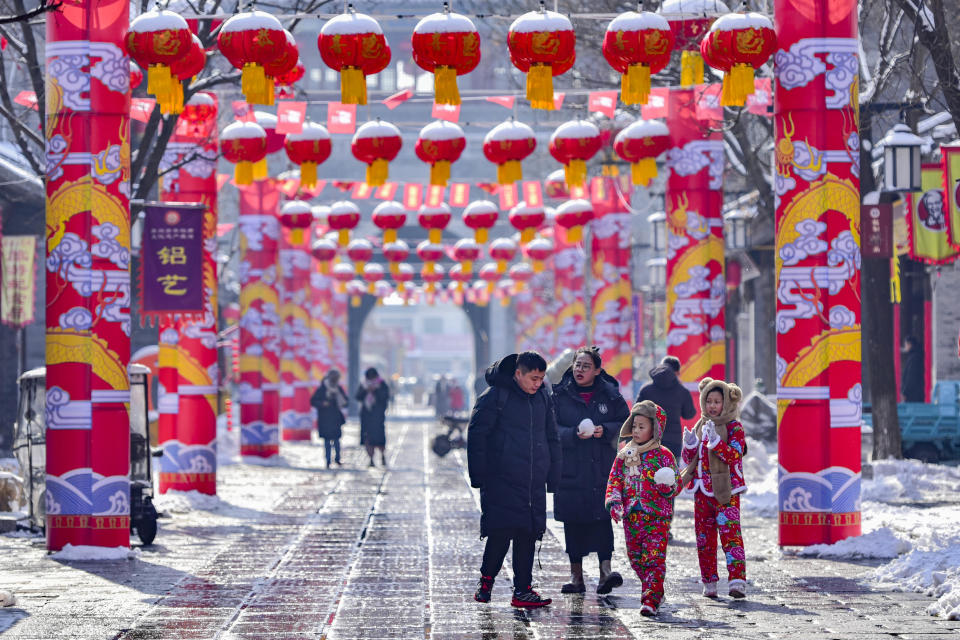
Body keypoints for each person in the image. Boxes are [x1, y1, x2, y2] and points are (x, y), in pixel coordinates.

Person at [468, 351, 561, 608]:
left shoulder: (542, 396)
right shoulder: (496, 397)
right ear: (518, 373)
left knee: (528, 535)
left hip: (533, 481)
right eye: (533, 378)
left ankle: (522, 590)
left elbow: (552, 436)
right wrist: (479, 476)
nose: (537, 383)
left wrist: (553, 476)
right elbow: (477, 436)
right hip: (501, 479)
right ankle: (486, 582)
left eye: (541, 378)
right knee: (500, 533)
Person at [552, 346, 630, 595]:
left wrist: (604, 430)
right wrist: (573, 433)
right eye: (577, 364)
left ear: (597, 370)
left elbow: (626, 423)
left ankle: (605, 572)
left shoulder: (610, 395)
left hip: (601, 469)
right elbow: (551, 428)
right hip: (571, 469)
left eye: (586, 366)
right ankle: (576, 577)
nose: (579, 370)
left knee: (602, 521)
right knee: (572, 523)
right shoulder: (560, 395)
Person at [605, 400, 683, 616]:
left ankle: (650, 598)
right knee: (636, 558)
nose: (637, 431)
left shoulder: (664, 455)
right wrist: (614, 502)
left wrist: (666, 488)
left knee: (654, 558)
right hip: (632, 516)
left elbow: (676, 483)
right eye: (635, 426)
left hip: (657, 517)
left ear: (655, 429)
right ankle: (655, 589)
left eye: (642, 427)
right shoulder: (624, 455)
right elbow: (615, 480)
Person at [680, 377, 748, 599]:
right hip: (702, 491)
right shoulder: (701, 425)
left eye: (717, 401)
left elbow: (734, 455)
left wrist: (717, 442)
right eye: (708, 401)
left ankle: (737, 581)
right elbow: (693, 460)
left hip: (726, 491)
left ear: (727, 402)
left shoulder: (734, 427)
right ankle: (709, 581)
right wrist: (690, 444)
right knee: (704, 538)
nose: (712, 406)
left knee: (731, 536)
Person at [636, 356, 697, 458]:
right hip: (673, 442)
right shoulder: (682, 391)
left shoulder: (646, 390)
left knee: (649, 471)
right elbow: (689, 414)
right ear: (677, 373)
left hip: (649, 439)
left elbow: (636, 412)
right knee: (671, 472)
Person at [310, 369, 349, 468]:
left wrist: (339, 398)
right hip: (325, 418)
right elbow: (313, 401)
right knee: (327, 441)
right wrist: (323, 403)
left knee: (336, 440)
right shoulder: (322, 389)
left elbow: (345, 402)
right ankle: (328, 460)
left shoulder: (338, 389)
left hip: (335, 418)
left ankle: (337, 458)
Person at [356, 367, 390, 467]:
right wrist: (366, 390)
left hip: (378, 417)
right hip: (366, 417)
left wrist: (376, 390)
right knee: (368, 439)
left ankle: (382, 456)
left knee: (379, 439)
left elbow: (385, 397)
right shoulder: (363, 385)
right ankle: (371, 459)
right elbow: (358, 396)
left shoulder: (382, 384)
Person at [901, 335, 924, 402]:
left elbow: (911, 376)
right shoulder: (916, 356)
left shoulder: (914, 358)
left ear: (909, 344)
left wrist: (905, 392)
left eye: (905, 345)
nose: (905, 347)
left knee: (912, 410)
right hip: (916, 393)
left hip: (913, 394)